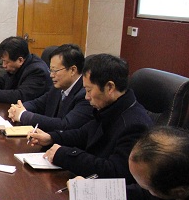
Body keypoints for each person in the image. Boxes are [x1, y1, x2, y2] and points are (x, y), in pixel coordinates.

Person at [27, 54, 153, 182]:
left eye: (89, 90)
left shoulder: (134, 125)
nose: (87, 97)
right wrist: (51, 137)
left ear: (110, 87)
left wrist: (65, 155)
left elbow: (114, 171)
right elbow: (84, 133)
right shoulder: (111, 108)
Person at [7, 44, 93, 132]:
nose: (51, 75)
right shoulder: (58, 87)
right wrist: (17, 109)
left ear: (72, 70)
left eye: (55, 71)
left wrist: (23, 115)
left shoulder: (86, 94)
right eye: (51, 70)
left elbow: (65, 125)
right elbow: (37, 104)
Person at [0, 36, 51, 103]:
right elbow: (3, 80)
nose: (4, 65)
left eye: (6, 62)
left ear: (20, 60)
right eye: (3, 61)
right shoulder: (18, 65)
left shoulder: (37, 71)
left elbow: (20, 96)